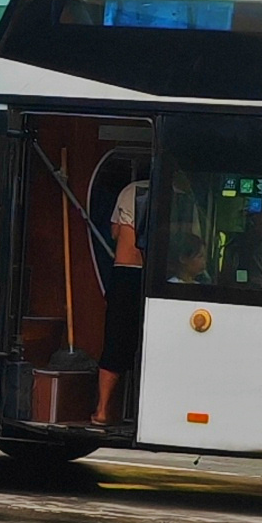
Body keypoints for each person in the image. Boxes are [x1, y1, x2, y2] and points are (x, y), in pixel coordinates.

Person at [94, 166, 146, 425]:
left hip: (125, 272)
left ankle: (103, 410)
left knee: (115, 341)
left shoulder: (129, 191)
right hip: (156, 277)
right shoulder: (181, 191)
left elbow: (115, 232)